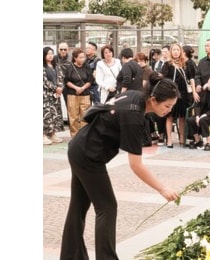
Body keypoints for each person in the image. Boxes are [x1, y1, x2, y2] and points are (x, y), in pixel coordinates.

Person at [59, 72, 180, 260]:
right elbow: (136, 165)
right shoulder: (134, 116)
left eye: (172, 106)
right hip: (88, 156)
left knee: (79, 206)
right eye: (167, 106)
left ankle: (70, 256)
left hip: (80, 147)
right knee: (107, 208)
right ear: (154, 100)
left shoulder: (136, 95)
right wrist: (162, 188)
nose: (169, 111)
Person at [161, 43, 192, 148]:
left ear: (181, 52)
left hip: (183, 94)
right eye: (174, 50)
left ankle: (182, 139)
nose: (175, 52)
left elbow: (190, 78)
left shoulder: (184, 64)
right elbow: (163, 79)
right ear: (171, 51)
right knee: (170, 116)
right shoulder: (167, 65)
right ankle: (169, 139)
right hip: (171, 94)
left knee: (182, 117)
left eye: (177, 50)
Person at [64, 48, 95, 138]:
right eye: (80, 57)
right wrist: (76, 87)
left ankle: (84, 136)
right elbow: (66, 81)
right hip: (72, 94)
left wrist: (82, 88)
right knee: (73, 116)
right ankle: (74, 136)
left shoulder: (86, 66)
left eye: (83, 57)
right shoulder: (69, 67)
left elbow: (90, 80)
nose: (82, 59)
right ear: (75, 58)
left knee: (85, 116)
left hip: (85, 94)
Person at [187, 75, 210, 151]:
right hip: (201, 114)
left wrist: (205, 115)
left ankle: (208, 142)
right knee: (190, 120)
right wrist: (197, 116)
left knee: (203, 120)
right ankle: (198, 140)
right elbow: (197, 105)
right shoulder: (203, 91)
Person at [43, 47, 65, 145]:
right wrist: (55, 88)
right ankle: (43, 135)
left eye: (52, 53)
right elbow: (44, 81)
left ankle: (52, 134)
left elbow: (61, 77)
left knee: (55, 114)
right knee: (45, 114)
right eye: (48, 54)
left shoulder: (56, 66)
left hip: (55, 95)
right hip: (45, 95)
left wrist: (60, 87)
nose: (50, 55)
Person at [54, 42, 72, 106]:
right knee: (55, 104)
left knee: (69, 105)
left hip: (68, 84)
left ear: (68, 49)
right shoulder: (53, 58)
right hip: (56, 85)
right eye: (61, 49)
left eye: (65, 49)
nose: (63, 51)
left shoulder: (71, 59)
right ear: (58, 49)